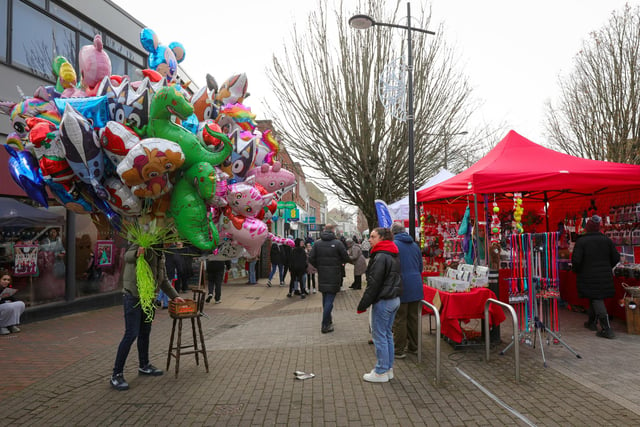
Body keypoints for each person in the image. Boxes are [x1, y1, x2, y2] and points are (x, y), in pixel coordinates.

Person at [111, 243, 184, 391]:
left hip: (149, 297)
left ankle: (144, 365)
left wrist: (175, 297)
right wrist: (137, 253)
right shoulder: (142, 242)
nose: (172, 243)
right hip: (133, 296)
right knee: (131, 334)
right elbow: (127, 257)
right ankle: (116, 374)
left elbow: (162, 280)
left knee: (145, 332)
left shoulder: (160, 253)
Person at [356, 227, 402, 383]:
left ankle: (381, 371)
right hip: (393, 298)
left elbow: (373, 284)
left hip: (384, 300)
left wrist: (363, 304)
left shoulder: (381, 255)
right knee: (387, 334)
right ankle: (387, 368)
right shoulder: (392, 253)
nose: (370, 239)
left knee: (380, 335)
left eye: (373, 236)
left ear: (382, 238)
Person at [572, 214, 621, 339]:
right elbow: (616, 258)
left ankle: (607, 329)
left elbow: (576, 261)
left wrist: (577, 270)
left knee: (596, 298)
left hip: (588, 275)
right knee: (594, 297)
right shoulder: (607, 240)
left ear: (587, 228)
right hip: (604, 275)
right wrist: (606, 267)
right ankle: (591, 323)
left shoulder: (581, 241)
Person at [390, 222, 424, 358]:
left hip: (401, 285)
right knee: (413, 317)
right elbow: (420, 266)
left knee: (400, 318)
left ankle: (399, 349)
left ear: (393, 233)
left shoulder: (394, 246)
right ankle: (414, 347)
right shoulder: (415, 245)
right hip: (416, 284)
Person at [309, 224, 350, 333]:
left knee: (325, 298)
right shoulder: (338, 243)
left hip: (322, 274)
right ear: (333, 231)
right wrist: (340, 263)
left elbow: (311, 258)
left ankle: (328, 320)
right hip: (334, 274)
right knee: (330, 300)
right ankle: (324, 324)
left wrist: (319, 266)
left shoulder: (317, 244)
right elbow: (345, 257)